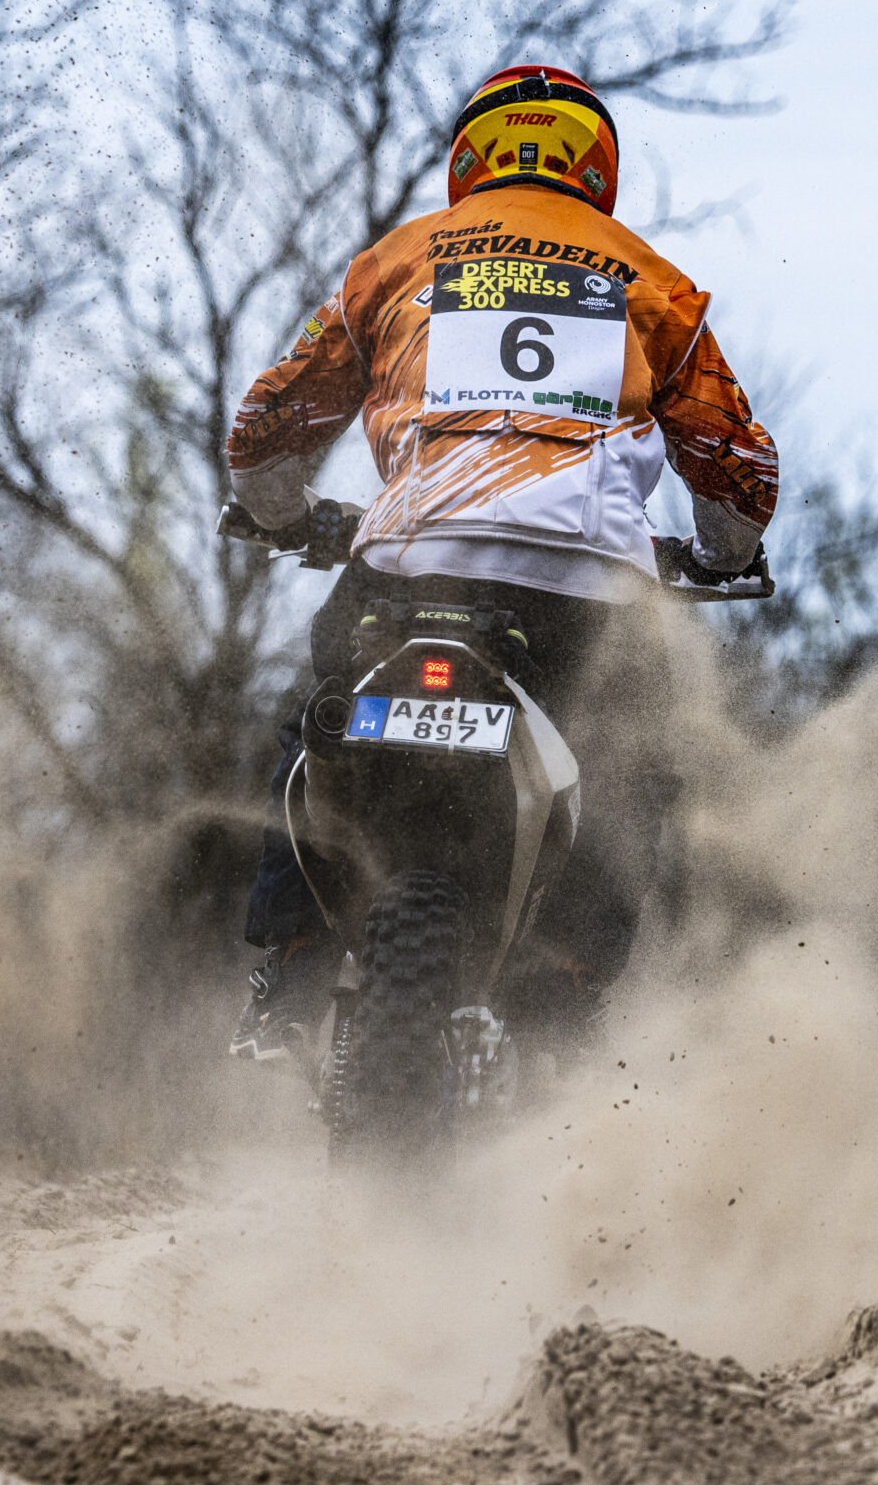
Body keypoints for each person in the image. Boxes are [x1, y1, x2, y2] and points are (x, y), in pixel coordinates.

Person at [226, 63, 778, 1062]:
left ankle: (290, 971)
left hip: (411, 564)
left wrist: (284, 514)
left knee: (315, 726)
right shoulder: (652, 282)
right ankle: (567, 998)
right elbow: (737, 465)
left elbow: (267, 428)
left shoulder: (395, 261)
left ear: (469, 160)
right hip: (586, 586)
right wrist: (715, 554)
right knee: (630, 770)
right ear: (596, 169)